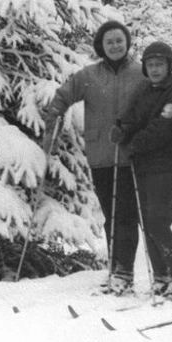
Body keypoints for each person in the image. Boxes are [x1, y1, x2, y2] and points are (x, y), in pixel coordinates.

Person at [44, 20, 145, 295]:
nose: (115, 45)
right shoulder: (88, 76)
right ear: (101, 45)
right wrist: (51, 130)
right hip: (101, 155)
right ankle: (116, 272)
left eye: (119, 40)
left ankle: (124, 274)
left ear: (127, 43)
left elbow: (163, 98)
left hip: (133, 155)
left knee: (127, 216)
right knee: (112, 216)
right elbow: (61, 98)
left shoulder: (140, 73)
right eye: (109, 41)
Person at [109, 41, 172, 300]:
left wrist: (136, 142)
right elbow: (132, 116)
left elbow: (163, 127)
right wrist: (122, 129)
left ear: (169, 65)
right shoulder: (145, 90)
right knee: (148, 221)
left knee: (158, 219)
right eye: (151, 65)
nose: (155, 69)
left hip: (165, 163)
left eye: (160, 64)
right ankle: (162, 276)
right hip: (143, 163)